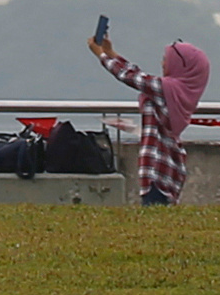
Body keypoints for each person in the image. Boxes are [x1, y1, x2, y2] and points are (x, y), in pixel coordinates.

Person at [85, 14, 210, 207]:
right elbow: (138, 75)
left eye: (166, 60)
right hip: (170, 166)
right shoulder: (180, 92)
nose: (162, 63)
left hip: (156, 167)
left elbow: (129, 76)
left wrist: (101, 55)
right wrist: (112, 53)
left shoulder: (167, 89)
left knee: (154, 215)